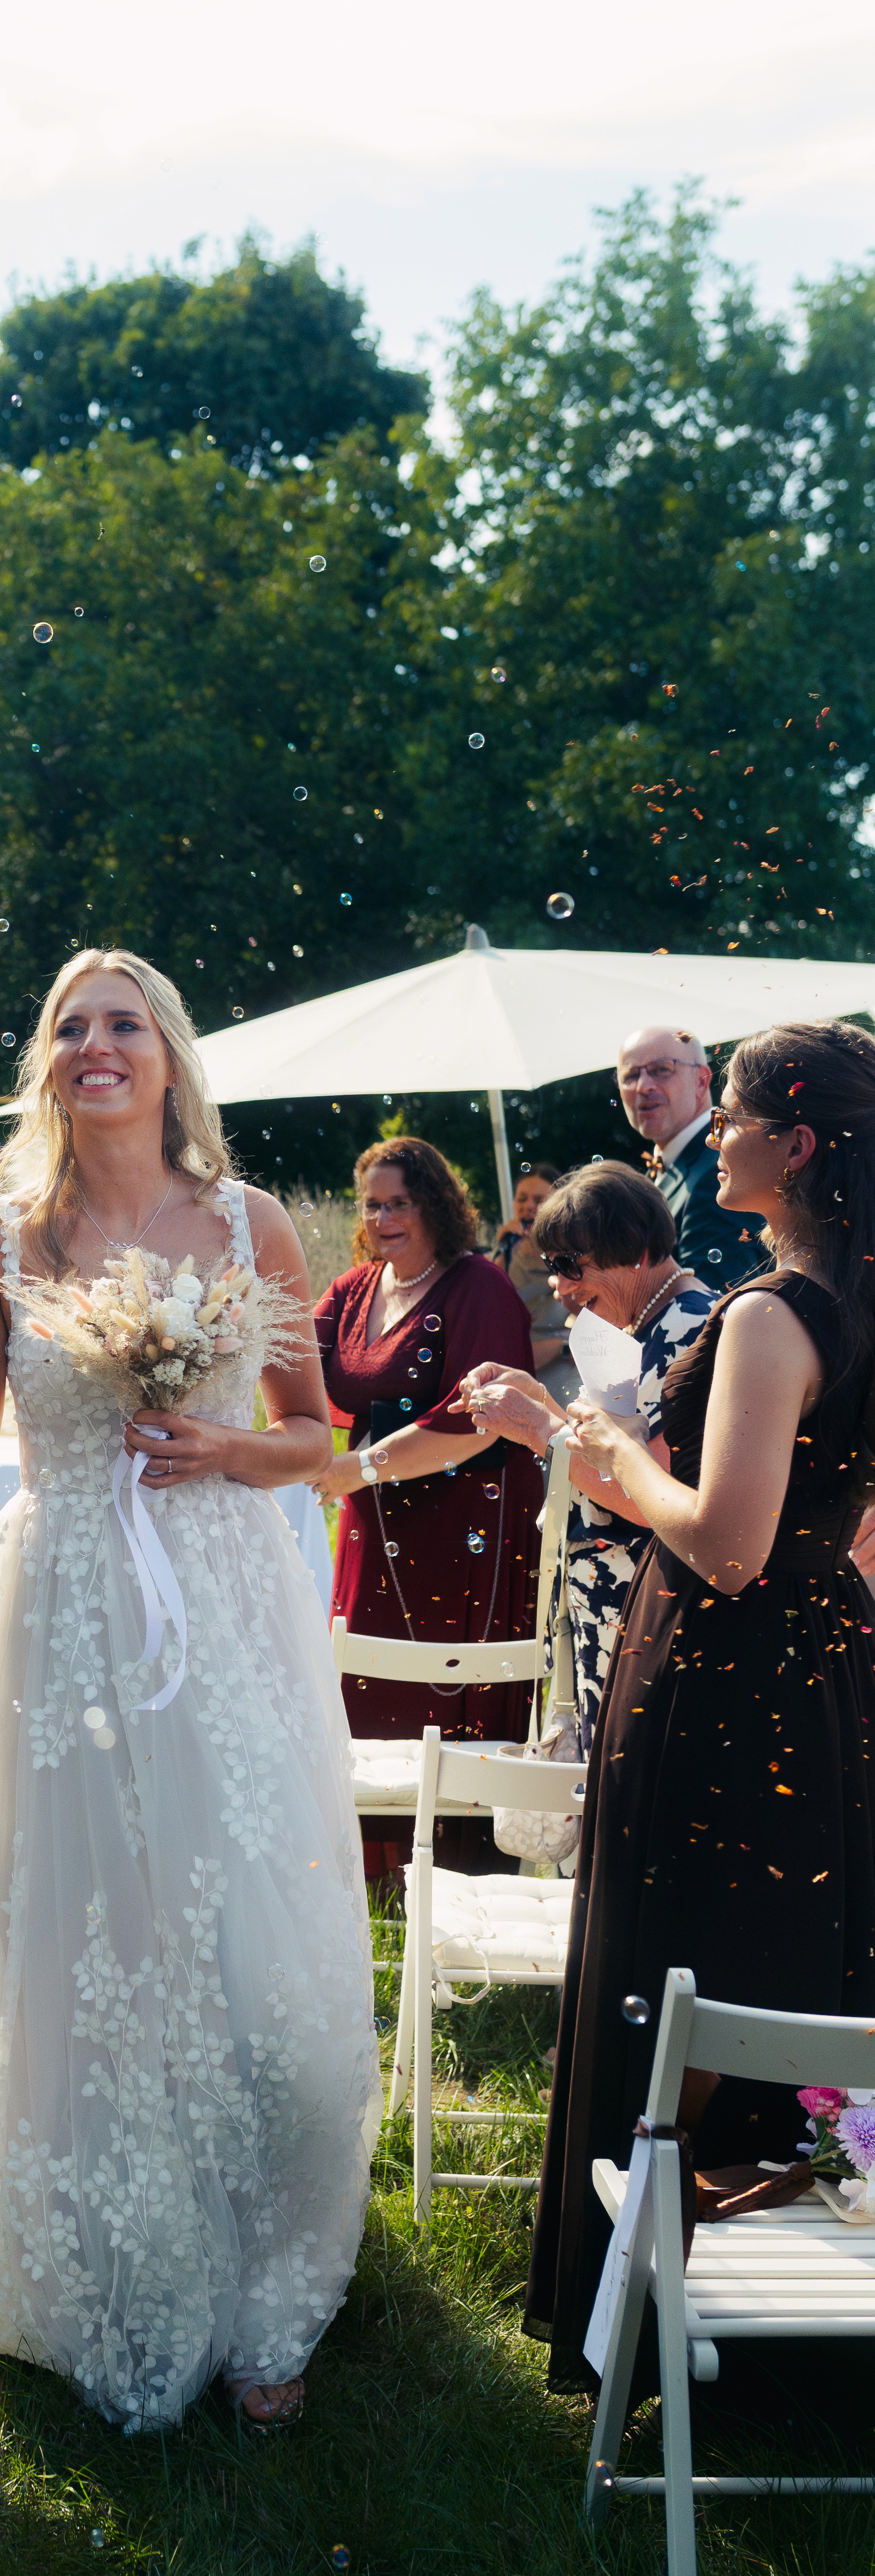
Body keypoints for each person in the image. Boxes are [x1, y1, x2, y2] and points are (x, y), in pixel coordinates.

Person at [0, 949, 375, 2433]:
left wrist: (222, 1450)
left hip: (221, 1606)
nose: (97, 1045)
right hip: (62, 1603)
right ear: (45, 1062)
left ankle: (265, 2259)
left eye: (125, 1023)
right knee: (82, 1915)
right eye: (71, 1026)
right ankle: (103, 2246)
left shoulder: (247, 1221)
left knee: (236, 1908)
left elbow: (315, 1438)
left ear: (167, 1057)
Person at [525, 1021, 875, 2394]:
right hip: (832, 1675)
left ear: (794, 1145)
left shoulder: (775, 1316)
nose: (712, 1134)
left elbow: (725, 1543)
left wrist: (612, 1465)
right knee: (803, 1953)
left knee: (685, 1966)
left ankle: (653, 2319)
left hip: (723, 1678)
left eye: (729, 1113)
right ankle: (807, 2312)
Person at [309, 1138, 544, 1878]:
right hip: (374, 1522)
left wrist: (362, 1466)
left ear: (435, 1203)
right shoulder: (352, 1292)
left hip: (470, 1514)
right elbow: (290, 1369)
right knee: (369, 1683)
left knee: (453, 1688)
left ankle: (460, 1878)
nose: (383, 1218)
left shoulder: (478, 1287)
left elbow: (479, 1418)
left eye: (399, 1202)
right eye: (373, 1205)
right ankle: (375, 1878)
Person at [462, 1165, 713, 1752]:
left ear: (637, 1250)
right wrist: (540, 1400)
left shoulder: (689, 1330)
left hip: (647, 1607)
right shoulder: (636, 1323)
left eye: (569, 1265)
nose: (557, 1285)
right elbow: (605, 1445)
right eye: (550, 1265)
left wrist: (540, 1429)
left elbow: (650, 1492)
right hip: (609, 1605)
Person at [618, 1023, 764, 1285]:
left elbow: (710, 1306)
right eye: (630, 1076)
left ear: (701, 1081)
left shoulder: (718, 1171)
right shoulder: (669, 1168)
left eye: (662, 1070)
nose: (643, 1086)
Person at [493, 1162, 578, 1408]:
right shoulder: (506, 1255)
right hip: (519, 1369)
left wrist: (561, 1346)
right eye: (522, 1199)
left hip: (567, 1366)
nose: (529, 1206)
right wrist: (501, 1252)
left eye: (540, 1200)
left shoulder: (573, 1256)